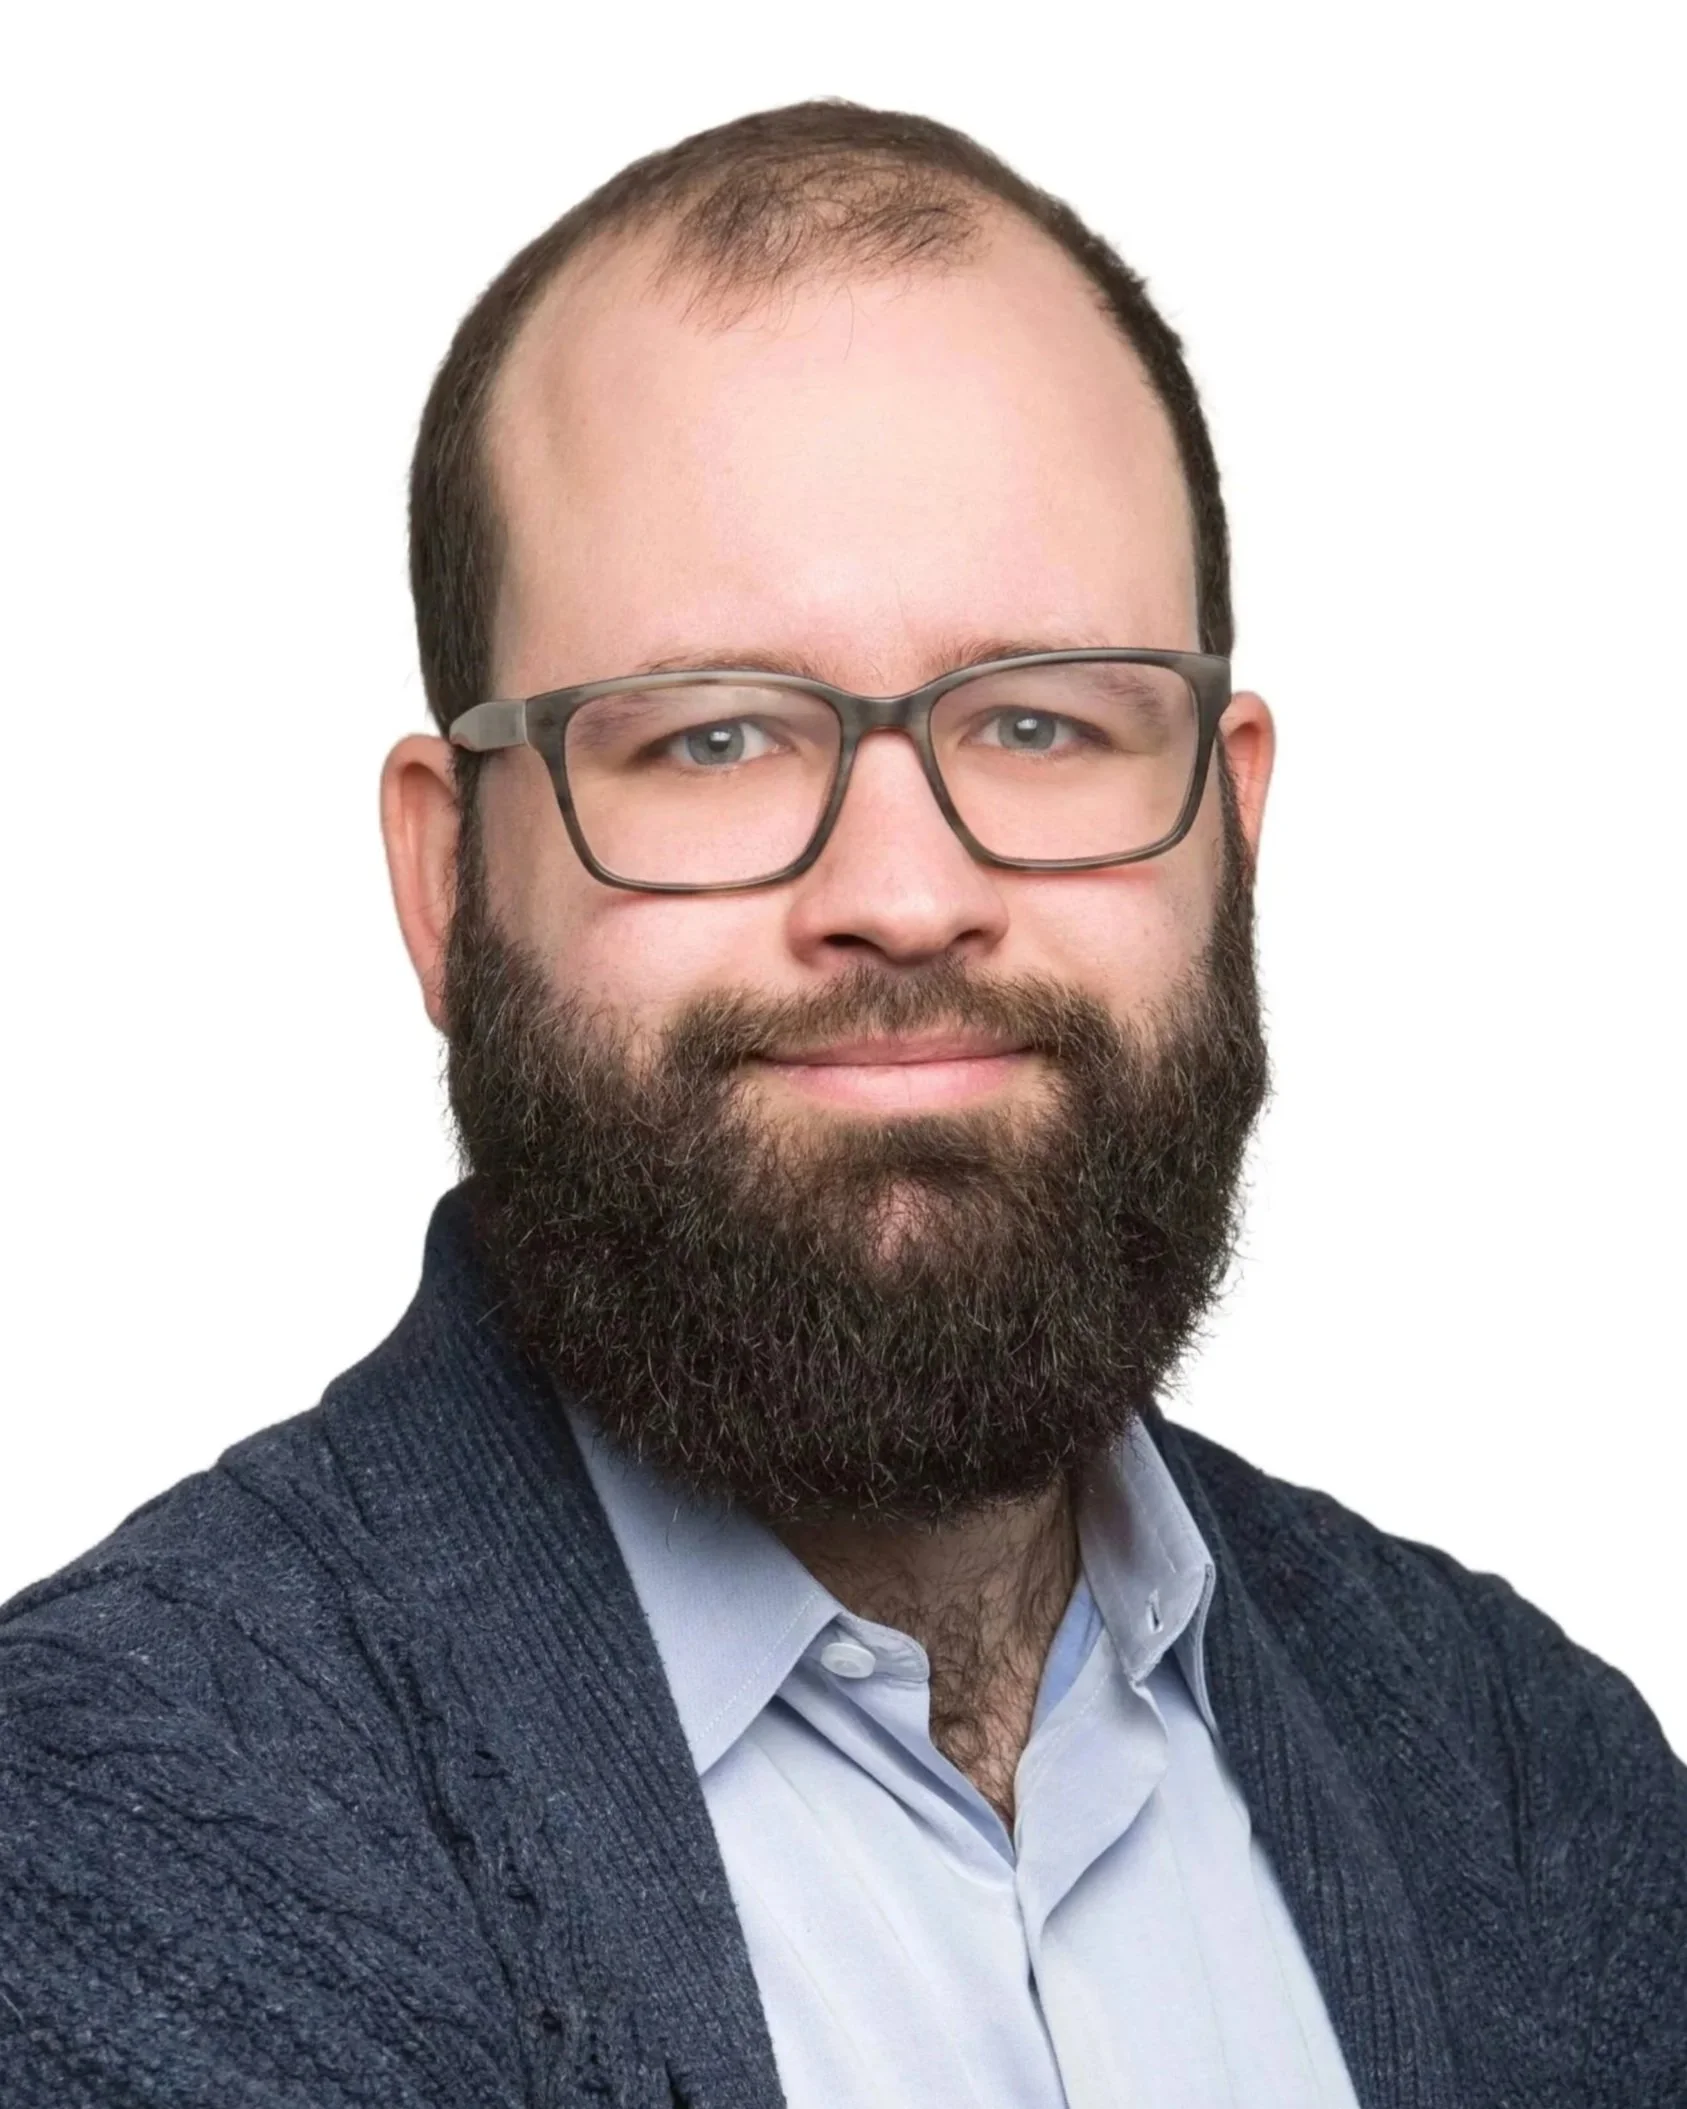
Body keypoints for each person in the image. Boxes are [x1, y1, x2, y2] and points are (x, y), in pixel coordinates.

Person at [1, 98, 1681, 2109]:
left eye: (1045, 721)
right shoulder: (105, 1836)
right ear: (449, 880)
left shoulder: (1534, 1778)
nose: (903, 894)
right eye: (713, 736)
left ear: (1231, 821)